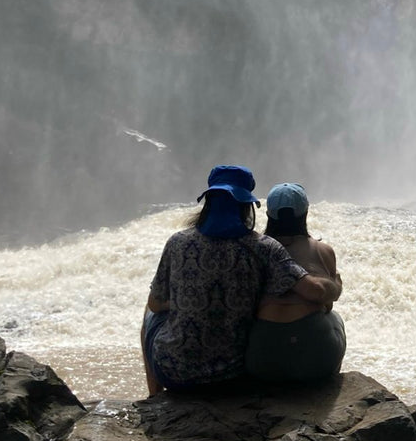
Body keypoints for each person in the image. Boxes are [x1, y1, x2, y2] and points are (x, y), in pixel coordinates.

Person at [142, 165, 339, 396]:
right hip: (235, 375)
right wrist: (335, 284)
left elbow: (157, 304)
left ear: (207, 202)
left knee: (148, 311)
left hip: (174, 373)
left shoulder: (177, 243)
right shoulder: (265, 247)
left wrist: (186, 301)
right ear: (247, 207)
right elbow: (314, 291)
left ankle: (153, 397)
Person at [247, 181, 347, 383]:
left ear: (269, 214)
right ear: (305, 213)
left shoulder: (253, 249)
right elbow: (327, 304)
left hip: (261, 357)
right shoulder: (322, 250)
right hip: (314, 357)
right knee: (336, 318)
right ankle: (328, 383)